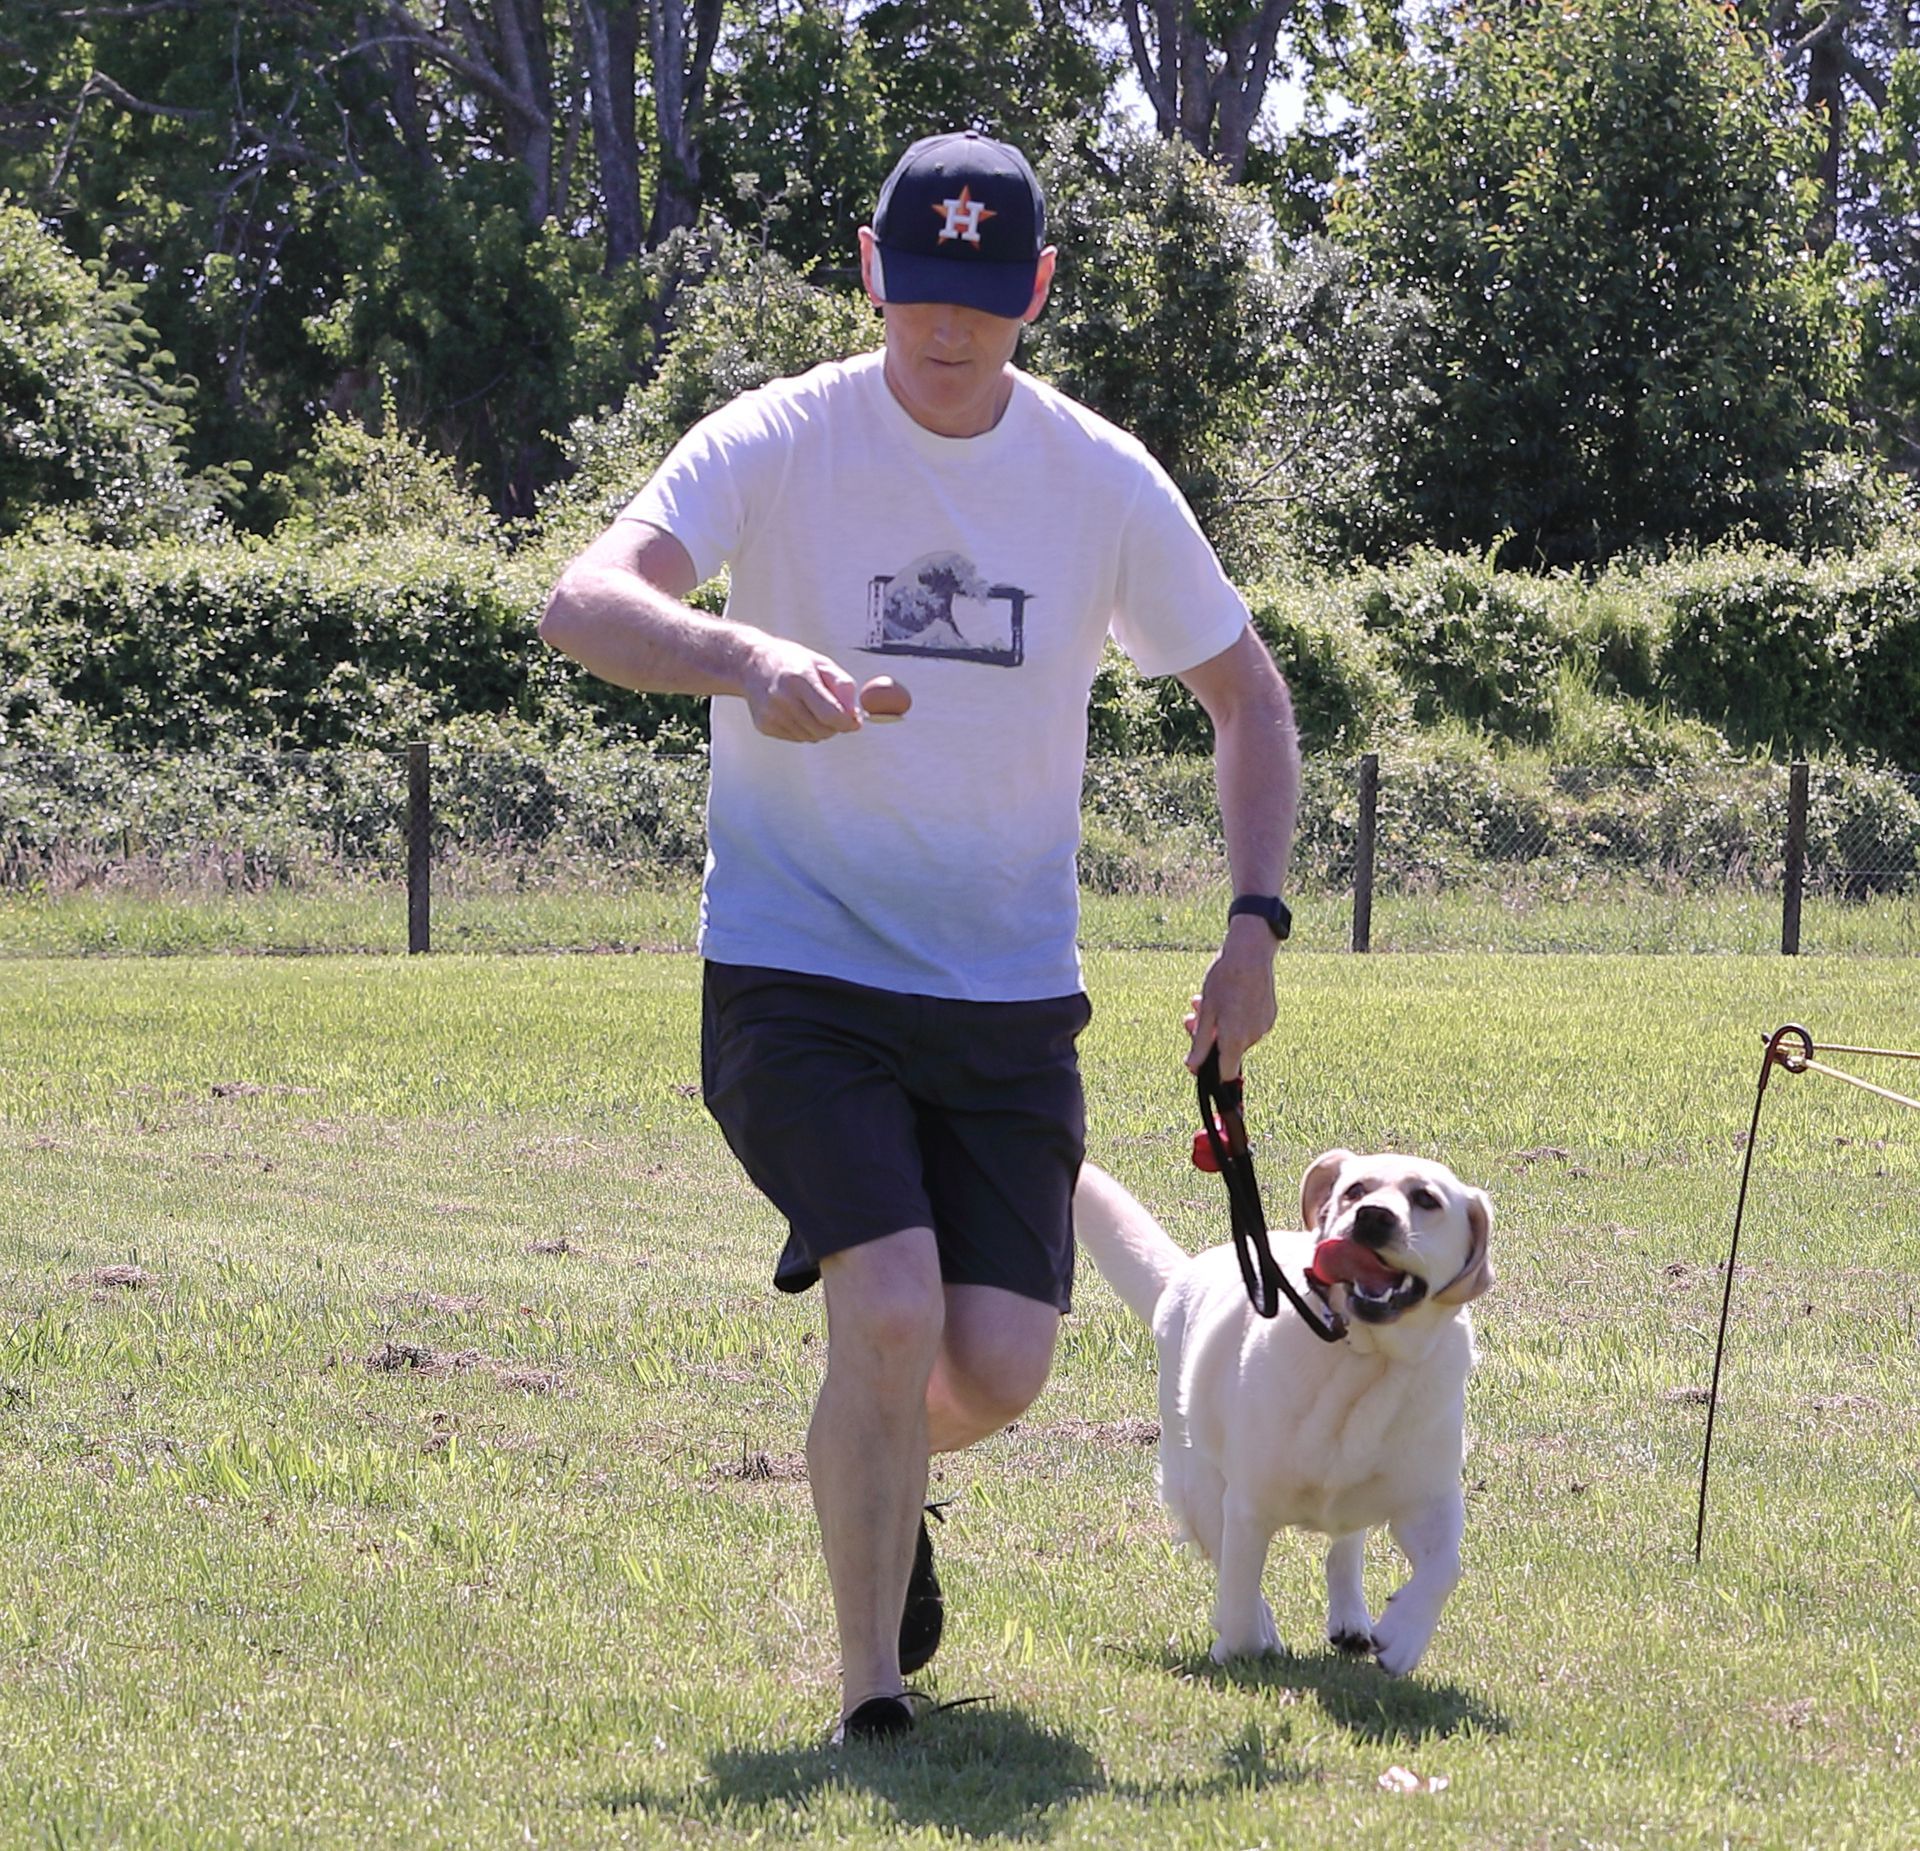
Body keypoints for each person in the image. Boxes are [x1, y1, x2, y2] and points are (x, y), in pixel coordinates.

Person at [539, 129, 1300, 1744]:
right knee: (885, 1310)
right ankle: (872, 1691)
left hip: (1009, 994)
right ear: (874, 271)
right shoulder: (783, 437)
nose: (947, 332)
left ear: (1032, 292)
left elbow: (1248, 694)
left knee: (999, 1368)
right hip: (796, 965)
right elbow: (584, 603)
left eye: (983, 300)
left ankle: (879, 1473)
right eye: (919, 294)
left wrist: (1254, 929)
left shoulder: (1098, 478)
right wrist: (747, 659)